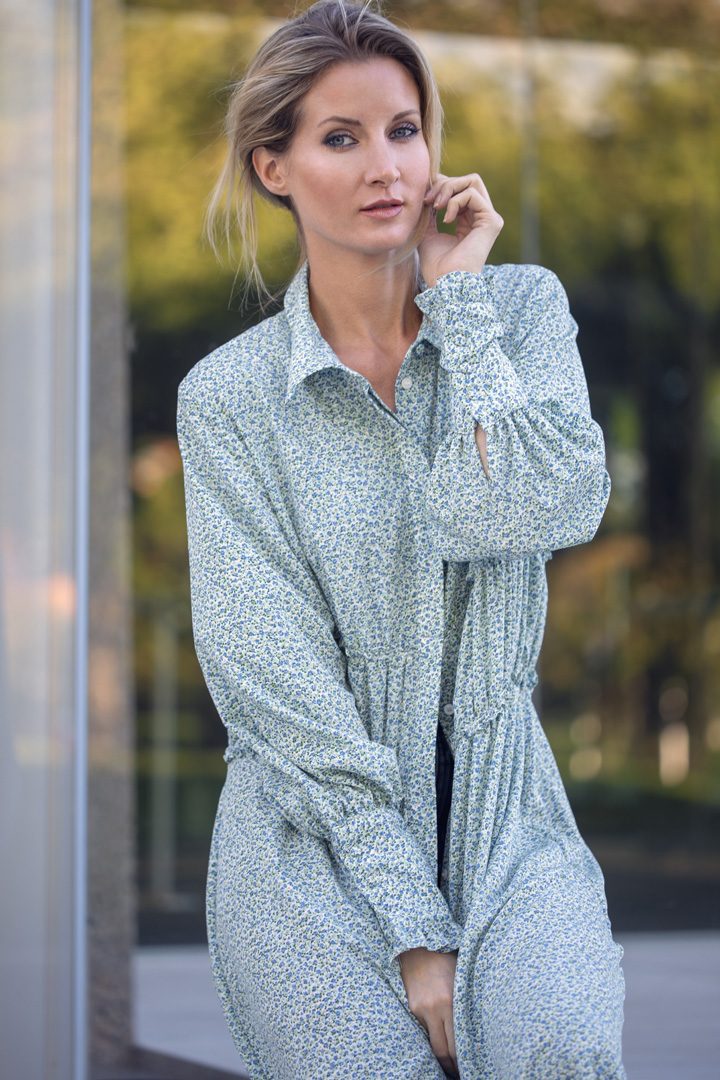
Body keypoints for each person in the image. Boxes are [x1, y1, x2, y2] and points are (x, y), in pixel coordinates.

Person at [176, 1, 627, 1077]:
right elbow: (270, 675)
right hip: (312, 842)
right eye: (342, 138)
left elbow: (537, 508)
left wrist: (459, 308)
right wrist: (414, 929)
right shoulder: (230, 399)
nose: (387, 166)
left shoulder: (518, 311)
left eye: (405, 130)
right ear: (274, 168)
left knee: (562, 1048)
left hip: (506, 810)